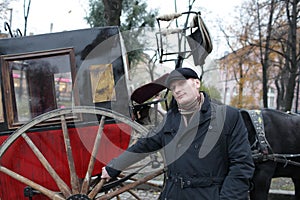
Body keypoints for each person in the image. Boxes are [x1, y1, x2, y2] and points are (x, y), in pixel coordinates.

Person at [101, 67, 255, 200]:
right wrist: (114, 167)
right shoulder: (170, 119)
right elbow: (144, 145)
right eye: (173, 88)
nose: (177, 90)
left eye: (181, 83)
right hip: (174, 194)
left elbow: (242, 165)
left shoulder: (228, 116)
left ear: (196, 83)